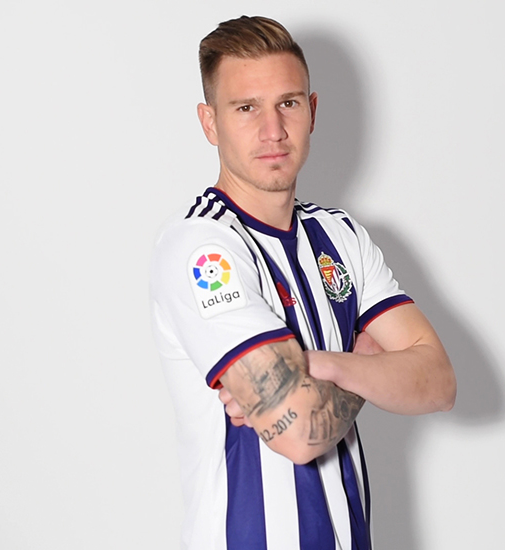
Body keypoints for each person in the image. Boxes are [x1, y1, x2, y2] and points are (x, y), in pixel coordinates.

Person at [150, 15, 456, 550]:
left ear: (312, 111)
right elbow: (296, 433)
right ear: (209, 122)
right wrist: (369, 363)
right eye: (246, 108)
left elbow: (439, 382)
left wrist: (322, 365)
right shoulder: (202, 247)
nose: (273, 130)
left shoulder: (341, 236)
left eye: (288, 103)